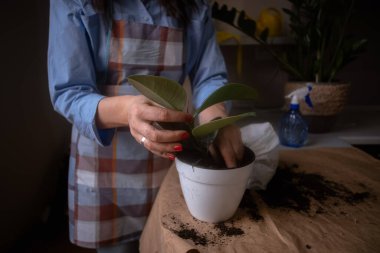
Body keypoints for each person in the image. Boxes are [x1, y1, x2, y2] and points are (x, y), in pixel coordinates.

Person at [48, 0, 244, 252]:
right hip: (105, 172)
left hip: (170, 163)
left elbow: (209, 77)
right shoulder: (73, 3)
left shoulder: (194, 5)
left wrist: (217, 118)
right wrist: (128, 111)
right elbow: (68, 91)